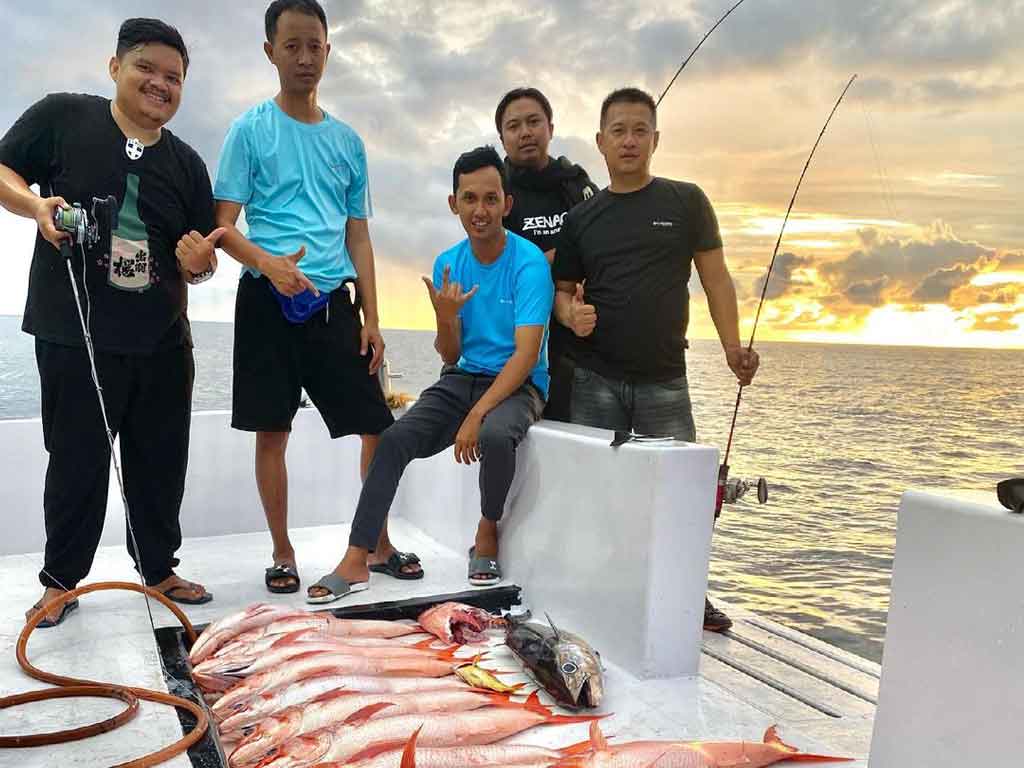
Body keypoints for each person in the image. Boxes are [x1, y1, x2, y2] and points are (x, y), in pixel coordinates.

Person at [0, 18, 219, 627]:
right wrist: (35, 205)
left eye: (173, 77)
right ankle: (59, 582)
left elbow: (200, 260)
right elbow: (3, 172)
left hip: (163, 341)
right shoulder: (63, 118)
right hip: (73, 334)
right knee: (75, 461)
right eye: (146, 67)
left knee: (160, 461)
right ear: (115, 66)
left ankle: (160, 570)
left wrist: (200, 265)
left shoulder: (187, 164)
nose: (160, 84)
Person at [200, 0, 405, 594]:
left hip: (334, 305)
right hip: (266, 302)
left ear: (328, 50)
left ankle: (378, 543)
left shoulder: (348, 142)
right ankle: (283, 551)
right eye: (291, 46)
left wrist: (373, 317)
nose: (304, 57)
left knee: (377, 426)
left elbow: (359, 235)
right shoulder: (248, 131)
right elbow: (223, 224)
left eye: (314, 45)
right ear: (270, 52)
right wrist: (266, 263)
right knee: (273, 430)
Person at [552, 87, 760, 632]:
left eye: (639, 129)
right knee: (597, 493)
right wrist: (571, 316)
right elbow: (562, 290)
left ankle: (689, 594)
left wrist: (733, 346)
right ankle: (599, 593)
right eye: (617, 130)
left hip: (666, 379)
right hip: (597, 378)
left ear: (656, 139)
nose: (628, 140)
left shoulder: (686, 201)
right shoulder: (582, 218)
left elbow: (715, 280)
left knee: (685, 497)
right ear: (600, 142)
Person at [306, 146, 553, 603]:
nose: (480, 210)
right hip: (463, 376)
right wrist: (445, 318)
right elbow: (450, 352)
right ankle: (359, 556)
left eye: (491, 199)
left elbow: (526, 354)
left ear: (507, 203)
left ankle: (486, 531)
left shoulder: (530, 262)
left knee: (497, 435)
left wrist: (477, 415)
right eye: (470, 198)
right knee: (393, 439)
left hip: (519, 383)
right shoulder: (448, 263)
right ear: (453, 203)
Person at [496, 87, 599, 422]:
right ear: (502, 138)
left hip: (578, 339)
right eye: (514, 126)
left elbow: (603, 247)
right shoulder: (496, 191)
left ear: (550, 129)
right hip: (516, 336)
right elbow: (498, 262)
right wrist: (561, 256)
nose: (525, 132)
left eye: (533, 122)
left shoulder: (576, 184)